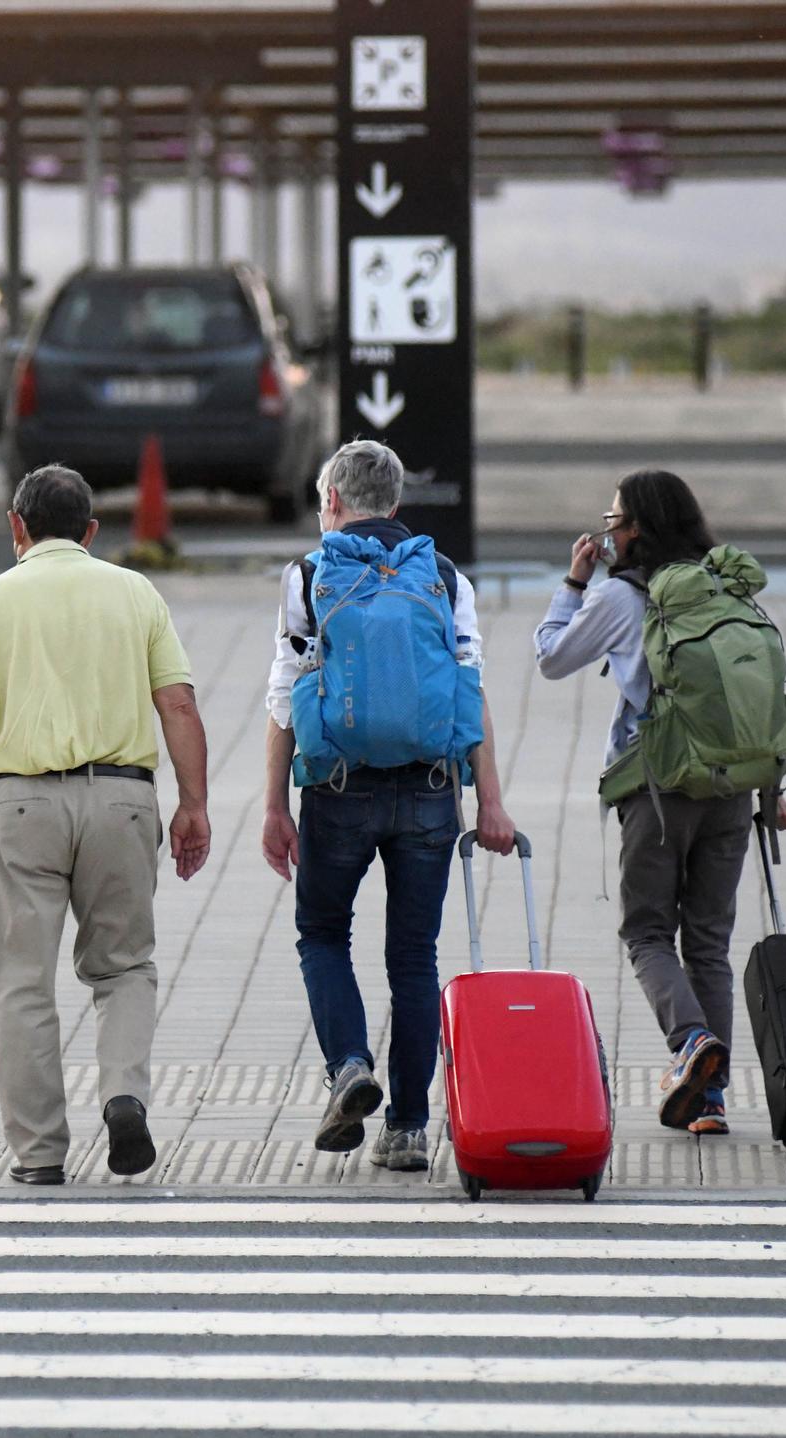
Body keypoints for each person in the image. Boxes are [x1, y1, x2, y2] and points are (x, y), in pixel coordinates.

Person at [0, 464, 211, 1187]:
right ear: (91, 531)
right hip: (122, 802)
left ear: (16, 526)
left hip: (23, 806)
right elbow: (177, 704)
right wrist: (193, 804)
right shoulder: (135, 593)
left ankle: (40, 1153)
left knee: (21, 982)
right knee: (124, 967)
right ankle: (123, 1095)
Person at [261, 440, 516, 1171]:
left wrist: (275, 807)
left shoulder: (310, 575)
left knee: (321, 932)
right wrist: (491, 801)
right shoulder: (441, 575)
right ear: (396, 505)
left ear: (333, 502)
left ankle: (349, 1064)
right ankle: (406, 1128)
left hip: (338, 792)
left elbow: (286, 696)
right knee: (413, 956)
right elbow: (471, 691)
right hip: (432, 794)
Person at [534, 469, 786, 1137]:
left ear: (637, 529)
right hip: (734, 791)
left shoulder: (623, 597)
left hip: (659, 788)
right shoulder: (722, 584)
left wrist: (573, 583)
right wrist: (773, 794)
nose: (607, 528)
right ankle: (709, 1102)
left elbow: (552, 657)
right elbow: (757, 697)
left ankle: (690, 1044)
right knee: (708, 941)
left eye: (614, 518)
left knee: (648, 932)